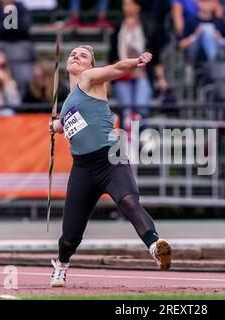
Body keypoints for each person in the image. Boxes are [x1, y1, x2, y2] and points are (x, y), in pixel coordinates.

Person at [48, 46, 172, 287]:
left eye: (82, 55)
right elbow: (68, 124)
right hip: (83, 168)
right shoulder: (69, 99)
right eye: (73, 53)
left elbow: (116, 69)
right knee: (71, 236)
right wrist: (55, 125)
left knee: (129, 201)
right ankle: (61, 265)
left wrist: (134, 62)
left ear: (91, 66)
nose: (75, 56)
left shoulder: (89, 78)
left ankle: (156, 247)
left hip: (109, 159)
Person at [108, 0, 168, 119]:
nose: (125, 6)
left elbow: (155, 56)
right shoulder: (118, 26)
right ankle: (128, 136)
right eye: (124, 4)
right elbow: (112, 55)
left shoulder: (148, 25)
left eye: (129, 3)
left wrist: (161, 79)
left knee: (142, 109)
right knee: (127, 111)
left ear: (137, 7)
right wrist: (107, 80)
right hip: (122, 75)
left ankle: (141, 135)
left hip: (142, 74)